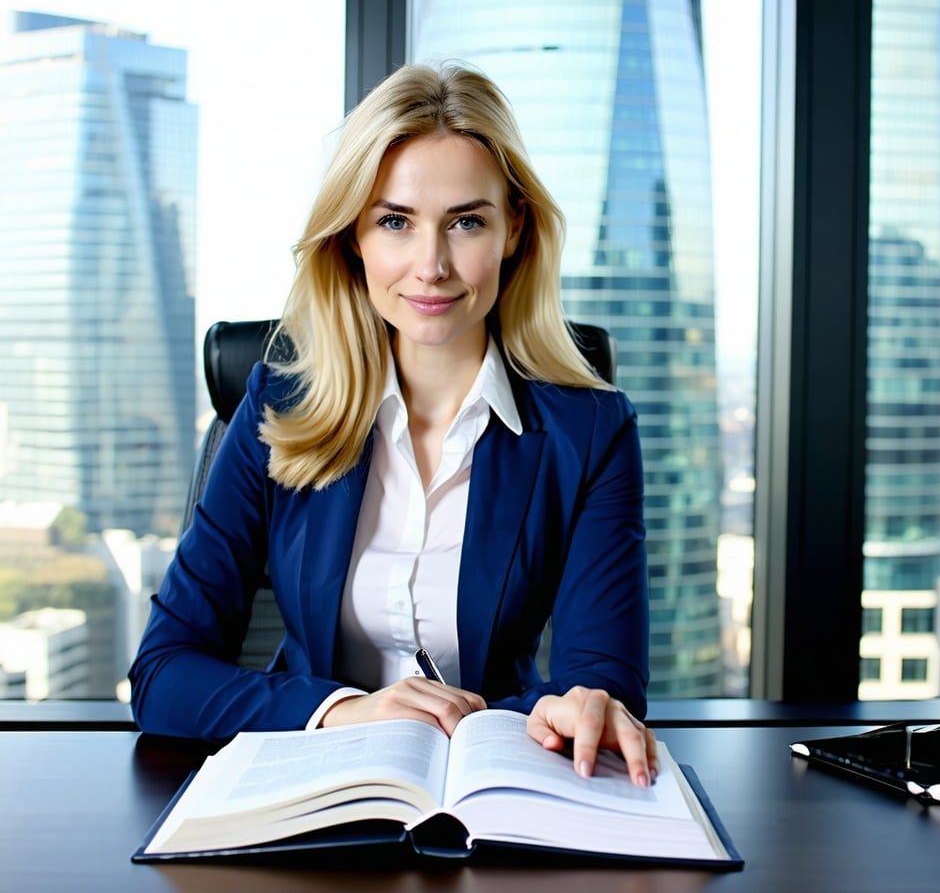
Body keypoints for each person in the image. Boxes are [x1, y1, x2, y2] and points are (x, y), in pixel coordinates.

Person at [129, 62, 656, 787]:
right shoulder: (280, 403)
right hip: (310, 780)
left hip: (496, 787)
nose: (431, 265)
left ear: (514, 230)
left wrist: (586, 708)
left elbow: (602, 683)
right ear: (353, 238)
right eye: (395, 222)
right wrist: (348, 710)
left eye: (467, 221)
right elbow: (163, 674)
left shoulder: (591, 433)